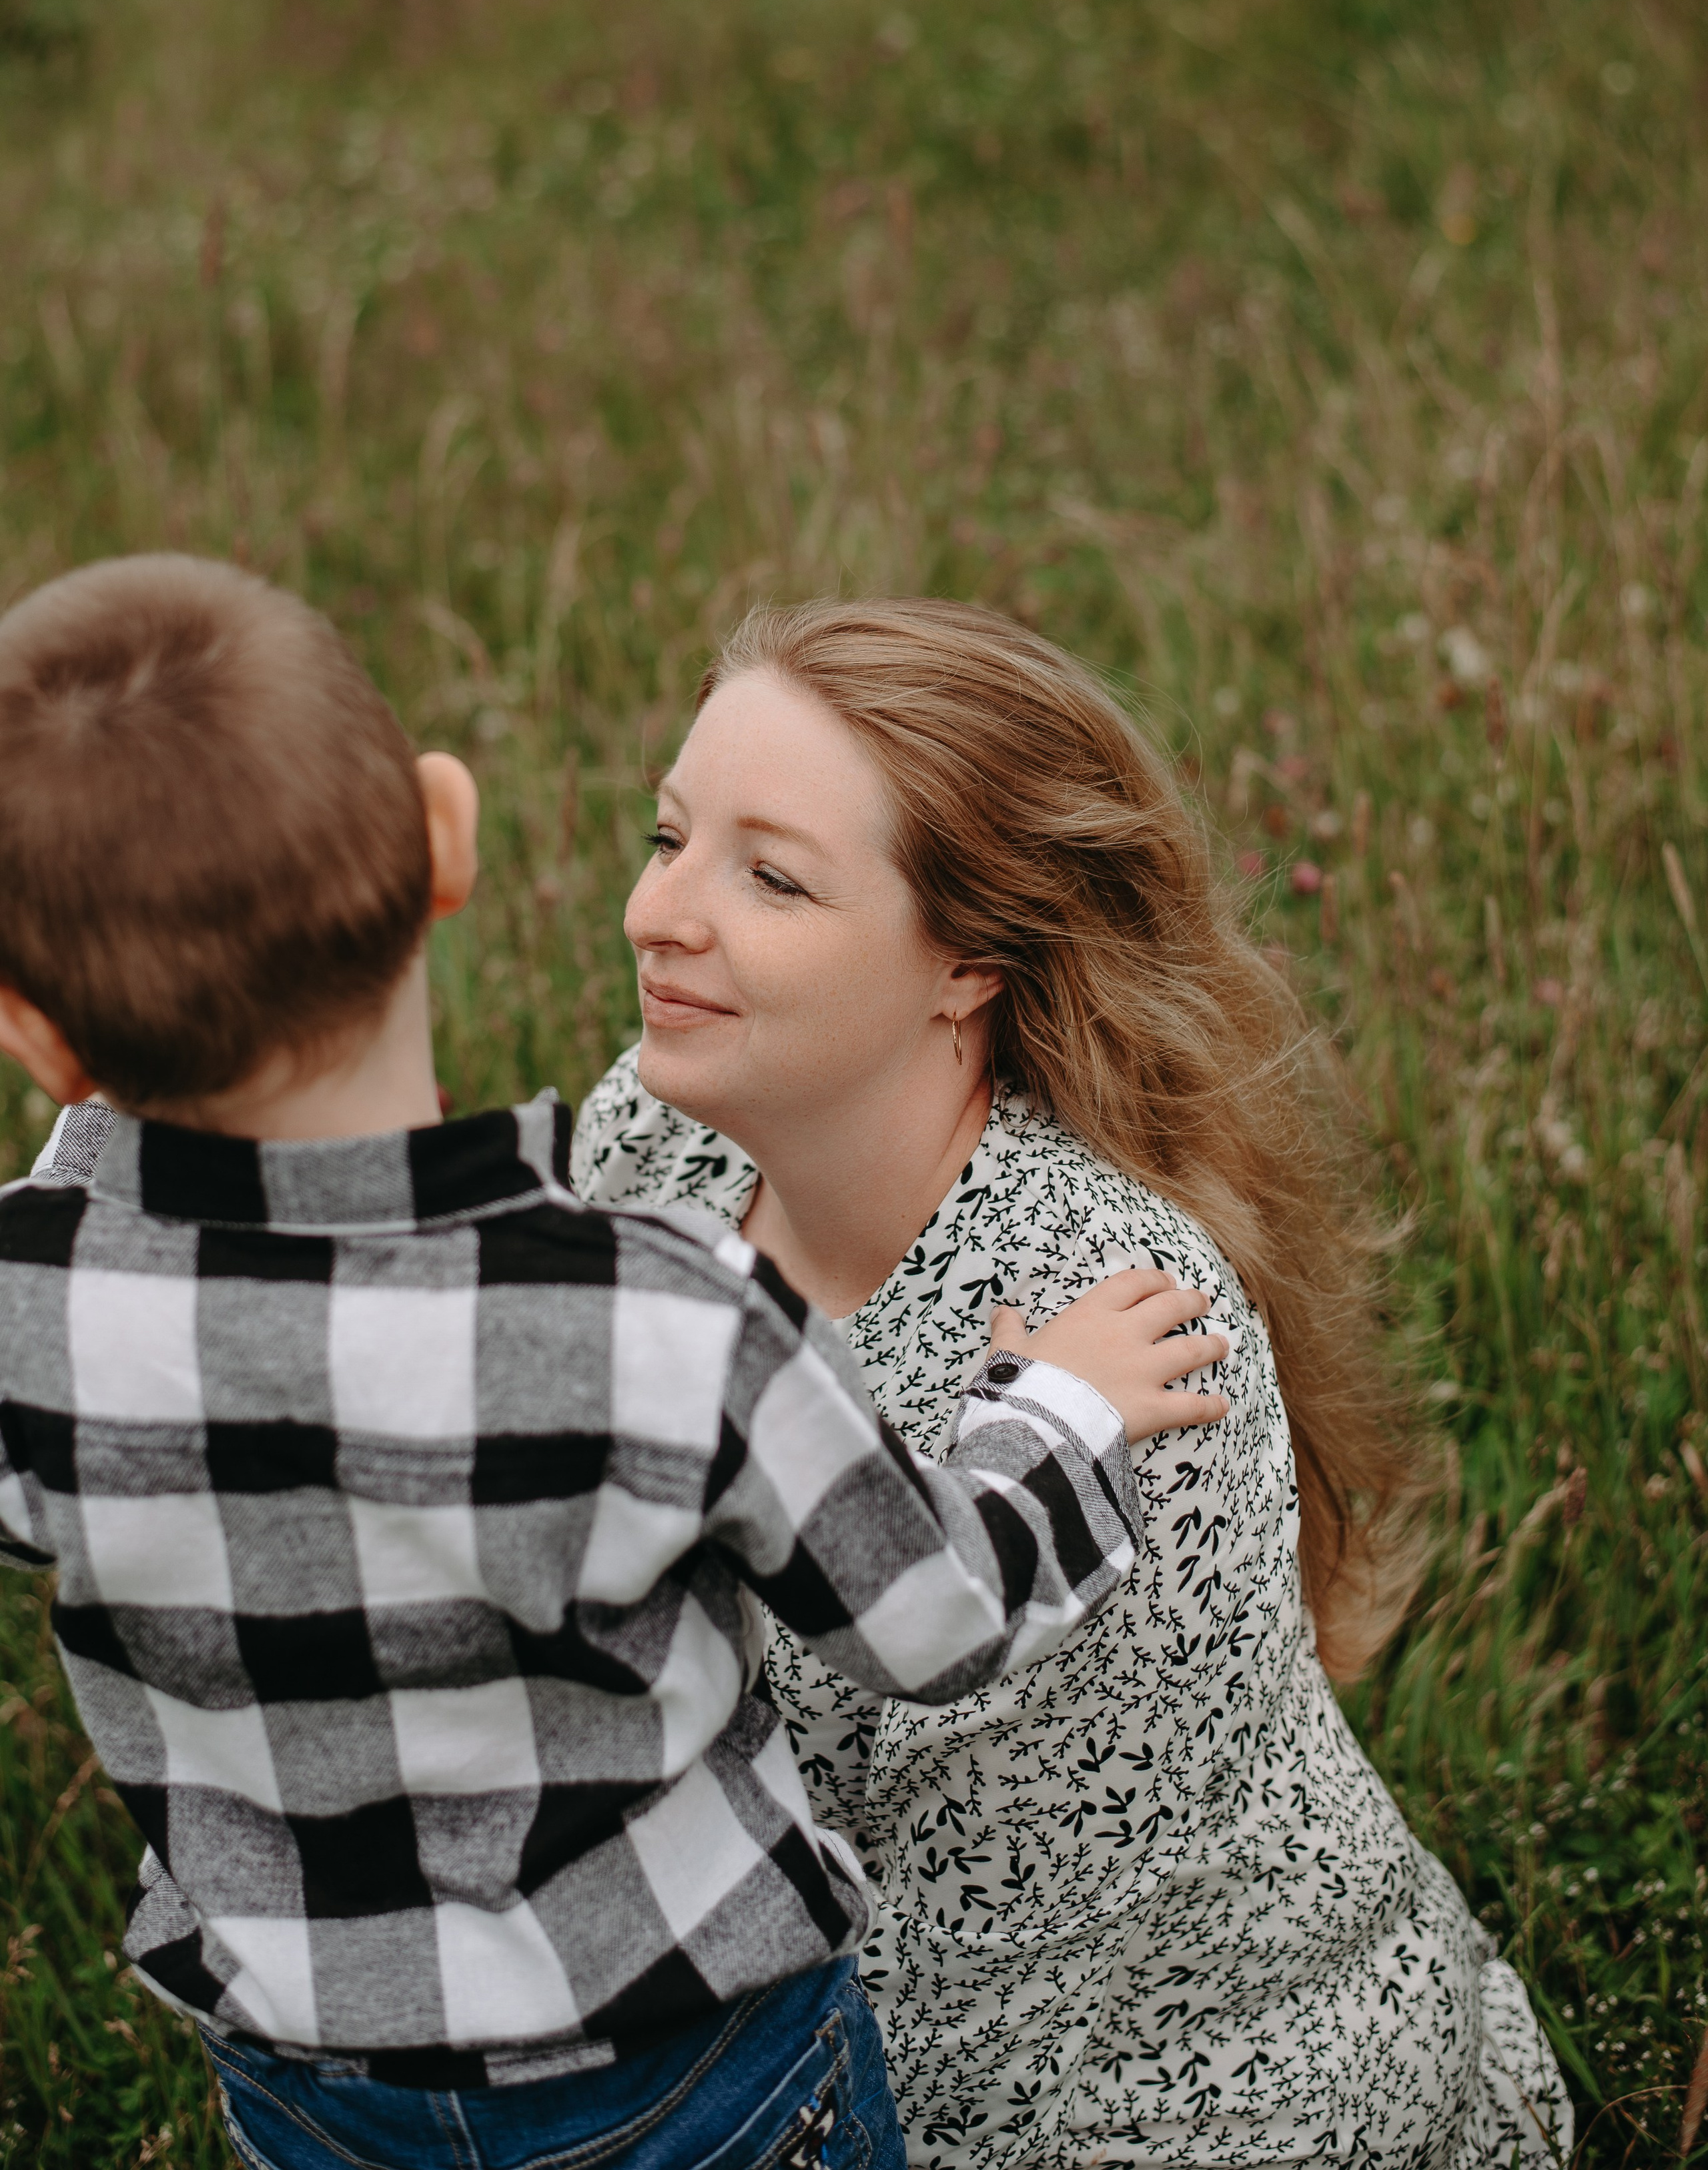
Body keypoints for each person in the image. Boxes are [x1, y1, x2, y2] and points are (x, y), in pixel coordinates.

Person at [0, 557, 1232, 2170]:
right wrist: (1057, 1408)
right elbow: (929, 1621)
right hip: (688, 2080)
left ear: (31, 1030)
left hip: (311, 2086)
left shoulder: (30, 1315)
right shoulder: (655, 1314)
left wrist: (87, 1109)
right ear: (444, 837)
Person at [571, 595, 1573, 2170]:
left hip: (1158, 2093)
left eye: (767, 878)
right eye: (666, 836)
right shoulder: (660, 1136)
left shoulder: (1125, 1352)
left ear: (963, 962)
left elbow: (981, 1953)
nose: (657, 914)